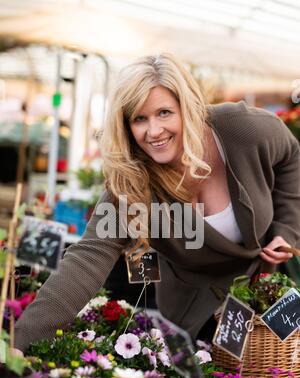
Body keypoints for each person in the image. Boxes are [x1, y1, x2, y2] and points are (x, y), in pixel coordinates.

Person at [14, 53, 300, 352]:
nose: (154, 131)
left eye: (164, 113)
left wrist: (287, 227)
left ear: (187, 108)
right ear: (126, 125)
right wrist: (18, 345)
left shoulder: (241, 130)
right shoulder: (133, 181)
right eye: (139, 118)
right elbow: (88, 258)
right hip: (192, 309)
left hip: (259, 293)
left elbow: (291, 156)